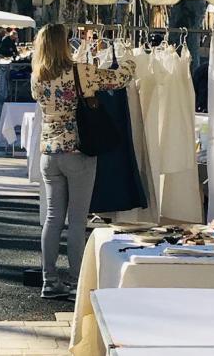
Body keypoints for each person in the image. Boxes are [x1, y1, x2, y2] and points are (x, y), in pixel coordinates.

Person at [31, 24, 136, 301]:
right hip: (78, 152)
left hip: (49, 155)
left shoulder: (37, 77)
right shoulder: (80, 71)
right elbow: (119, 78)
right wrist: (128, 57)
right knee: (77, 221)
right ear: (64, 43)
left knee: (53, 219)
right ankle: (77, 279)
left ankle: (49, 280)